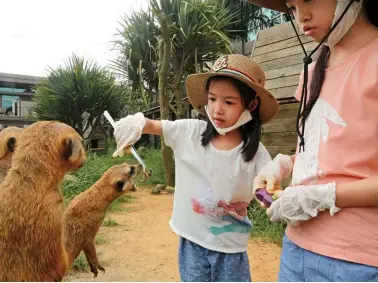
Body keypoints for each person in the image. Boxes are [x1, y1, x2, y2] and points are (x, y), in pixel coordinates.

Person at [112, 54, 279, 282]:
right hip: (192, 243)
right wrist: (137, 123)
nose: (217, 109)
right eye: (212, 99)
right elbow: (152, 125)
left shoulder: (256, 153)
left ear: (251, 104)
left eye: (229, 102)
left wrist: (272, 201)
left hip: (229, 249)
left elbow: (265, 189)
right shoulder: (190, 133)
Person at [250, 0, 378, 281]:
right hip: (296, 248)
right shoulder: (311, 69)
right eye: (292, 6)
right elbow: (317, 153)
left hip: (358, 261)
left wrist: (322, 196)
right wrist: (282, 166)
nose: (301, 16)